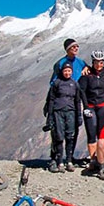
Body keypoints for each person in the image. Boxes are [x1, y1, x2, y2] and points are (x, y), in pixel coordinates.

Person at [44, 39, 89, 169]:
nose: (75, 48)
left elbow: (89, 69)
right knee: (57, 132)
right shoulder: (60, 63)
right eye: (72, 47)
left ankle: (69, 157)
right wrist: (49, 104)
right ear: (67, 49)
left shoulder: (81, 62)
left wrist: (87, 68)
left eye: (77, 46)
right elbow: (53, 84)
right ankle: (54, 158)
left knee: (72, 130)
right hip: (60, 100)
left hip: (74, 99)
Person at [46, 62, 82, 173]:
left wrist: (79, 115)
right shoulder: (57, 83)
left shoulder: (75, 84)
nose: (67, 73)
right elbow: (51, 100)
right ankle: (60, 161)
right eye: (65, 71)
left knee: (70, 136)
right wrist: (50, 115)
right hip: (58, 112)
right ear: (62, 71)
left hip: (71, 112)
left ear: (72, 72)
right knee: (59, 137)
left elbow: (77, 101)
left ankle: (69, 160)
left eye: (69, 71)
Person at [79, 50, 104, 163]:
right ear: (93, 62)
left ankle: (101, 159)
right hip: (91, 106)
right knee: (91, 132)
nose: (99, 65)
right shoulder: (87, 75)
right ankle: (93, 160)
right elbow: (82, 91)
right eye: (96, 62)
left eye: (101, 62)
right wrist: (86, 107)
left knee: (101, 133)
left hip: (103, 106)